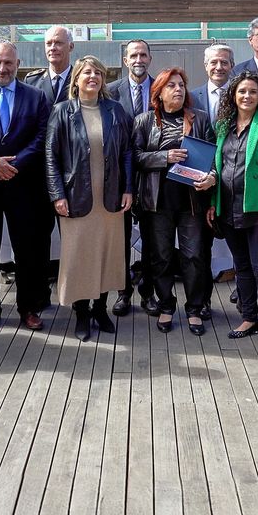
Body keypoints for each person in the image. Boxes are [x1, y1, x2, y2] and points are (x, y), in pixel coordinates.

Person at [0, 41, 53, 332]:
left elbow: (42, 136)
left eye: (8, 63)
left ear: (18, 64)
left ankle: (29, 307)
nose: (2, 68)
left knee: (27, 250)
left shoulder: (36, 96)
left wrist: (14, 164)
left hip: (23, 184)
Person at [45, 55, 133, 341]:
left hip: (109, 198)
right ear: (77, 79)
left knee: (108, 255)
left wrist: (128, 188)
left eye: (98, 72)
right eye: (87, 72)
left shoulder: (115, 111)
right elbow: (50, 156)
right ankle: (81, 312)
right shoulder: (62, 111)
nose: (93, 77)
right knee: (79, 257)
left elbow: (127, 153)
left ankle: (100, 309)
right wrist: (57, 194)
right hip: (76, 197)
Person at [131, 67, 216, 335]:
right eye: (171, 85)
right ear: (159, 93)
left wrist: (212, 176)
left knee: (194, 256)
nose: (178, 89)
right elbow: (134, 157)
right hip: (157, 201)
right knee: (162, 257)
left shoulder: (200, 119)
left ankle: (194, 308)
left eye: (181, 85)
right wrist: (163, 158)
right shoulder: (144, 121)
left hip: (191, 200)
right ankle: (167, 305)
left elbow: (215, 157)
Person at [206, 72, 258, 344]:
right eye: (242, 91)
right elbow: (218, 166)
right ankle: (249, 317)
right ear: (233, 95)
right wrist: (213, 201)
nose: (247, 96)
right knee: (241, 267)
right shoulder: (224, 125)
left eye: (252, 91)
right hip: (228, 208)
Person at [107, 39, 157, 316]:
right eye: (133, 55)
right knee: (121, 238)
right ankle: (123, 291)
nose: (138, 59)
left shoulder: (161, 90)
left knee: (152, 238)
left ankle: (148, 293)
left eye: (143, 55)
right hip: (119, 178)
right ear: (125, 60)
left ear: (150, 59)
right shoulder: (111, 93)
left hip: (152, 177)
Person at [188, 42, 237, 315]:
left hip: (235, 183)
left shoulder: (244, 95)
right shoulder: (191, 98)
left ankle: (245, 297)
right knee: (201, 247)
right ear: (206, 66)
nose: (219, 67)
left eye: (224, 62)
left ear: (232, 65)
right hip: (202, 185)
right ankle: (203, 301)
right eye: (214, 62)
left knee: (241, 245)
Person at [23, 25, 75, 104]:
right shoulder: (32, 81)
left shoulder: (80, 80)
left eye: (58, 43)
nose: (52, 48)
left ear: (70, 47)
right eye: (48, 43)